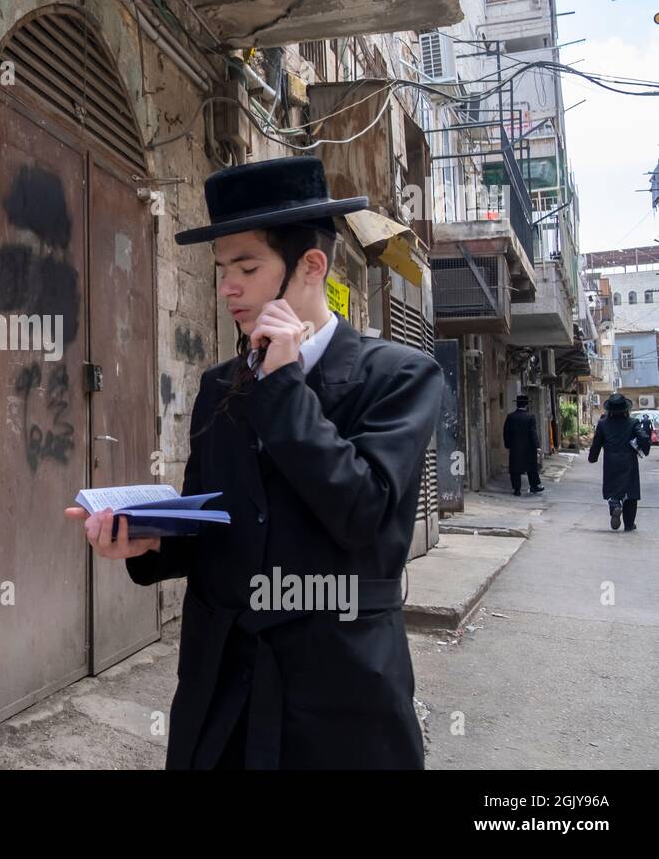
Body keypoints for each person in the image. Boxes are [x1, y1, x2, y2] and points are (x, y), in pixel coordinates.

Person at [64, 156, 443, 769]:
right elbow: (212, 523)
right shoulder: (220, 385)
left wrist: (284, 383)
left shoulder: (399, 377)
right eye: (222, 270)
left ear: (310, 266)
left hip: (340, 691)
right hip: (224, 691)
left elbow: (363, 513)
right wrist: (146, 541)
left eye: (247, 267)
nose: (228, 288)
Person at [588, 392, 649, 531]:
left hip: (611, 461)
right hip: (629, 461)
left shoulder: (603, 424)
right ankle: (629, 524)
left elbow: (596, 443)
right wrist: (645, 450)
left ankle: (615, 505)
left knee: (613, 489)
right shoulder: (633, 423)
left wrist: (593, 457)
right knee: (631, 492)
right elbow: (644, 438)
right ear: (626, 409)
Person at [502, 393, 544, 496]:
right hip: (528, 448)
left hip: (515, 448)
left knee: (515, 469)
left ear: (517, 405)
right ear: (526, 405)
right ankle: (534, 486)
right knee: (531, 468)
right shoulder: (530, 417)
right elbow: (533, 433)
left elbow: (506, 432)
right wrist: (537, 446)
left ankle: (517, 489)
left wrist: (508, 444)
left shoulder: (510, 417)